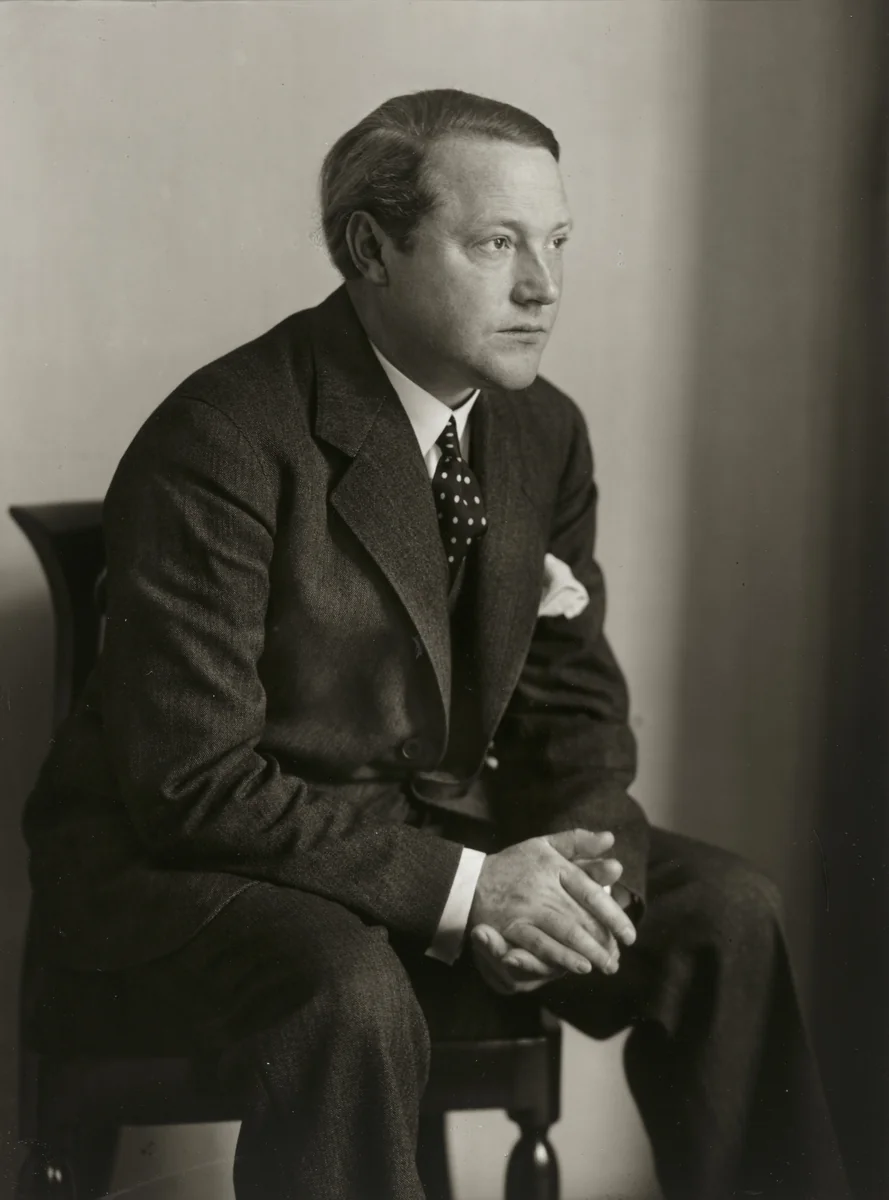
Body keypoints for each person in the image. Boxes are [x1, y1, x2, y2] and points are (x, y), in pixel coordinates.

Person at [23, 88, 848, 1200]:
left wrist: (563, 875)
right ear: (372, 248)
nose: (542, 286)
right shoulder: (219, 437)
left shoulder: (539, 431)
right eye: (495, 243)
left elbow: (574, 712)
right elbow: (192, 783)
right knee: (349, 983)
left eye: (555, 242)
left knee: (728, 914)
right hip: (191, 871)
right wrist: (468, 894)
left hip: (427, 833)